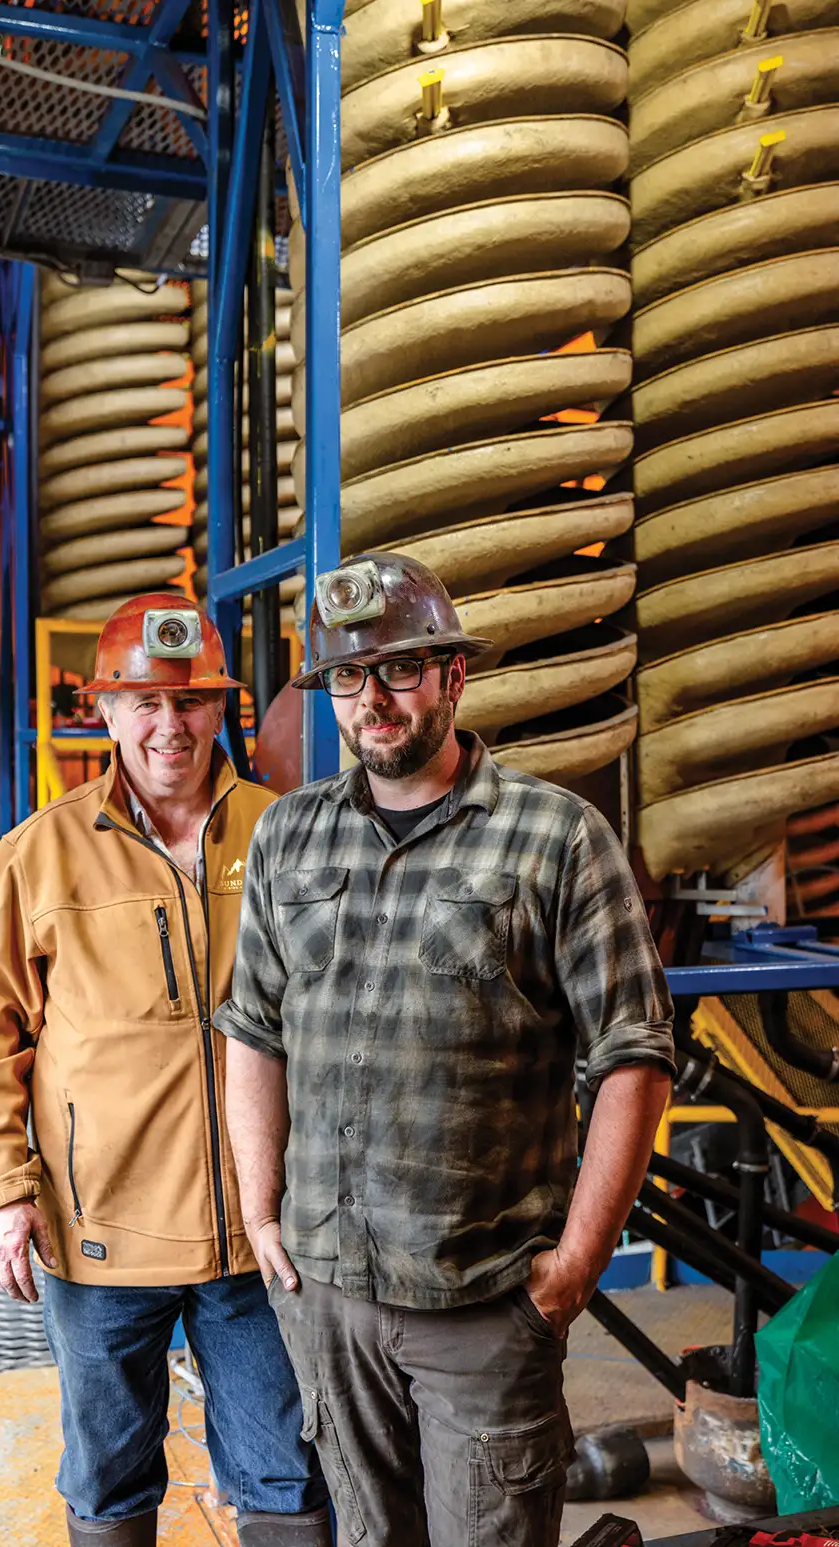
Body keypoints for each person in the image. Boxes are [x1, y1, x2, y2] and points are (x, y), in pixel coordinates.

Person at [216, 553, 676, 1547]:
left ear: (453, 676)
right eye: (348, 675)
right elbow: (252, 1030)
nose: (373, 698)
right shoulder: (291, 835)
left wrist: (573, 1270)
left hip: (485, 1298)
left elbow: (632, 1060)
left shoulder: (555, 837)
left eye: (400, 669)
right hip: (328, 1293)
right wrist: (260, 1212)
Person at [0, 593, 329, 1547]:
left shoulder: (285, 836)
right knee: (109, 1475)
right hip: (101, 1228)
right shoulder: (39, 856)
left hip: (258, 1230)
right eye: (145, 702)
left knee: (288, 1469)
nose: (171, 724)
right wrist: (0, 1193)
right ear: (104, 709)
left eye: (193, 700)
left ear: (220, 707)